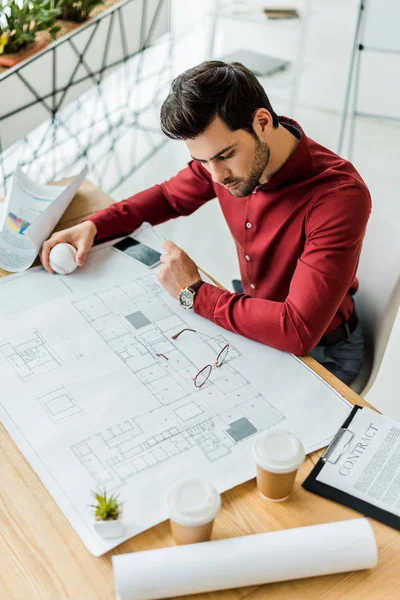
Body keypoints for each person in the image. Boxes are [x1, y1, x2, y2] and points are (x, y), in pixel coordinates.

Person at [41, 61, 371, 386]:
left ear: (261, 122)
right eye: (202, 161)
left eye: (225, 156)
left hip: (322, 352)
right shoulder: (221, 161)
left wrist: (194, 292)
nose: (215, 176)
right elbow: (169, 197)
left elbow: (296, 330)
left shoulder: (338, 197)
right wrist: (96, 225)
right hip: (253, 317)